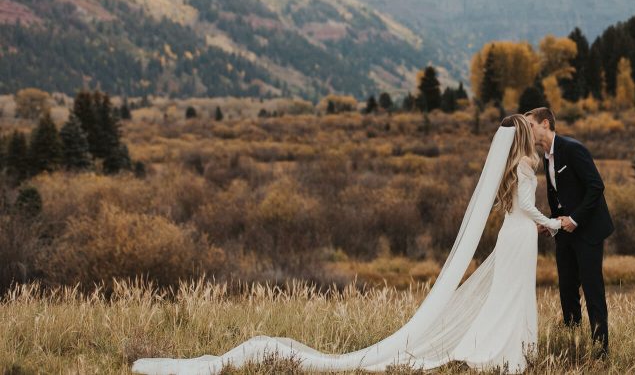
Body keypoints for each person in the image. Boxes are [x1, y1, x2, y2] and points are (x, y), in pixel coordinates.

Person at [133, 115, 563, 374]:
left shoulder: (511, 165)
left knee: (507, 295)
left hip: (516, 238)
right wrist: (555, 224)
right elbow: (527, 208)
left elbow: (516, 208)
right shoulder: (525, 164)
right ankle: (506, 351)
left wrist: (541, 224)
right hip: (523, 236)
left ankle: (507, 348)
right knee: (511, 295)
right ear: (525, 136)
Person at [525, 106, 613, 354]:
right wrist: (551, 223)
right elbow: (561, 196)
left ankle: (600, 350)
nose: (527, 130)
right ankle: (572, 344)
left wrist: (575, 219)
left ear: (545, 124)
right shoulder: (545, 157)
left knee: (592, 288)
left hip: (588, 230)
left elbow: (596, 187)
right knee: (566, 288)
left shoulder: (573, 149)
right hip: (563, 231)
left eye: (529, 125)